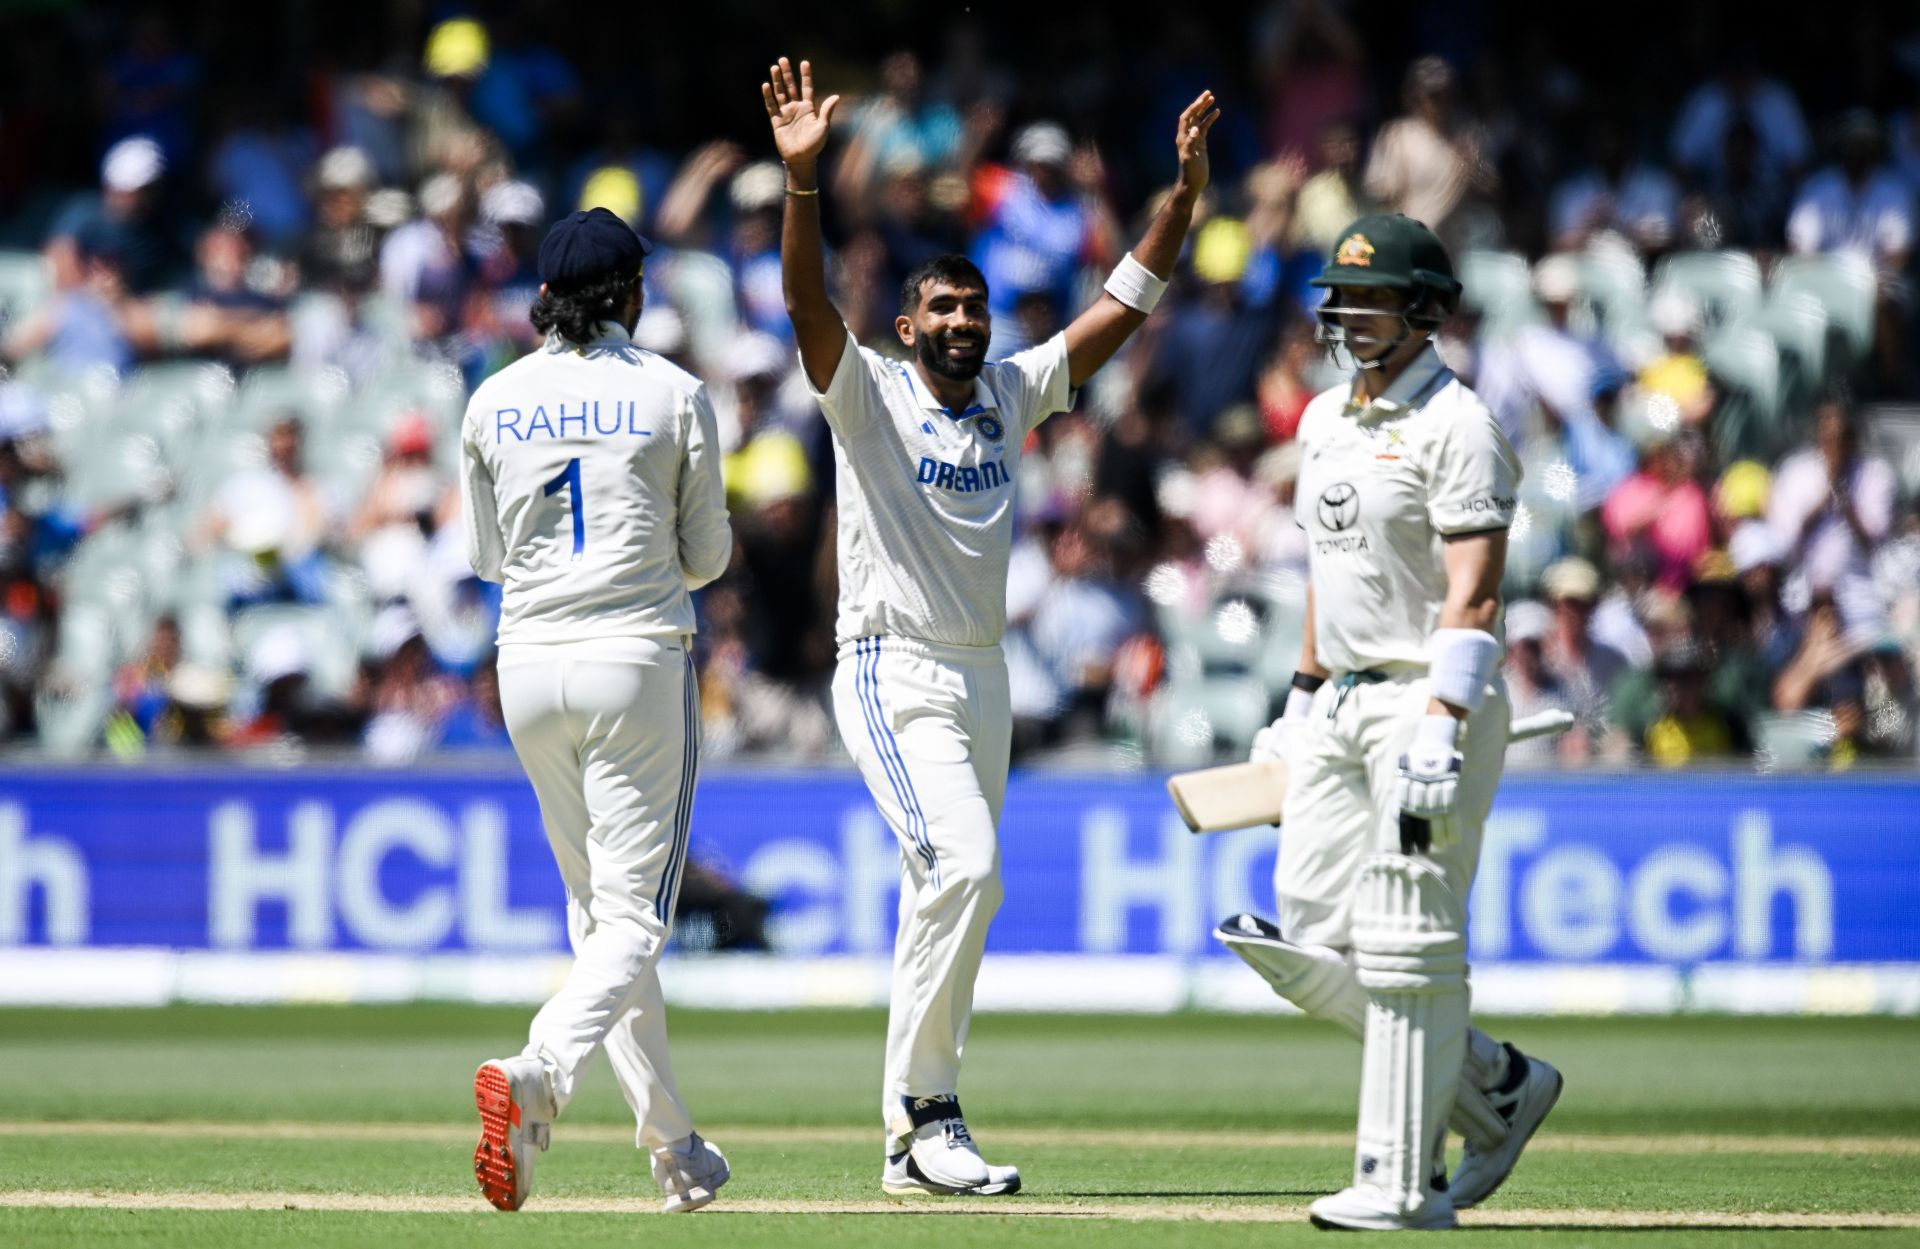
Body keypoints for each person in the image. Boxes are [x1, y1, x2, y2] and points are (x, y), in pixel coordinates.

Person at [762, 55, 1215, 1197]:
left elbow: (1123, 304)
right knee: (966, 867)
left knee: (947, 891)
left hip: (982, 678)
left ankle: (906, 1145)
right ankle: (931, 1114)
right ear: (909, 324)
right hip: (887, 666)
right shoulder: (866, 391)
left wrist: (1184, 200)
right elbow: (809, 303)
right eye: (944, 309)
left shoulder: (1012, 394)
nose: (963, 322)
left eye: (975, 308)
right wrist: (805, 184)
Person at [1217, 213, 1560, 1231]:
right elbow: (1331, 577)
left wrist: (1444, 719)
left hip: (1425, 696)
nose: (1349, 312)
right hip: (1342, 700)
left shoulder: (1459, 425)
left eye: (1371, 297)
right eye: (1342, 295)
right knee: (1311, 934)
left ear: (1424, 308)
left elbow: (1478, 595)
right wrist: (1298, 701)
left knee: (1410, 937)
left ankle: (1400, 1183)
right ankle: (1497, 1084)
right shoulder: (1324, 419)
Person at [460, 207, 733, 1215]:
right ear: (629, 293)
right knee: (633, 918)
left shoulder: (493, 398)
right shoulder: (672, 392)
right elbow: (707, 557)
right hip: (636, 659)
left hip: (526, 664)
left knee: (600, 924)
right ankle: (539, 1071)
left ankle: (676, 1148)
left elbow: (488, 558)